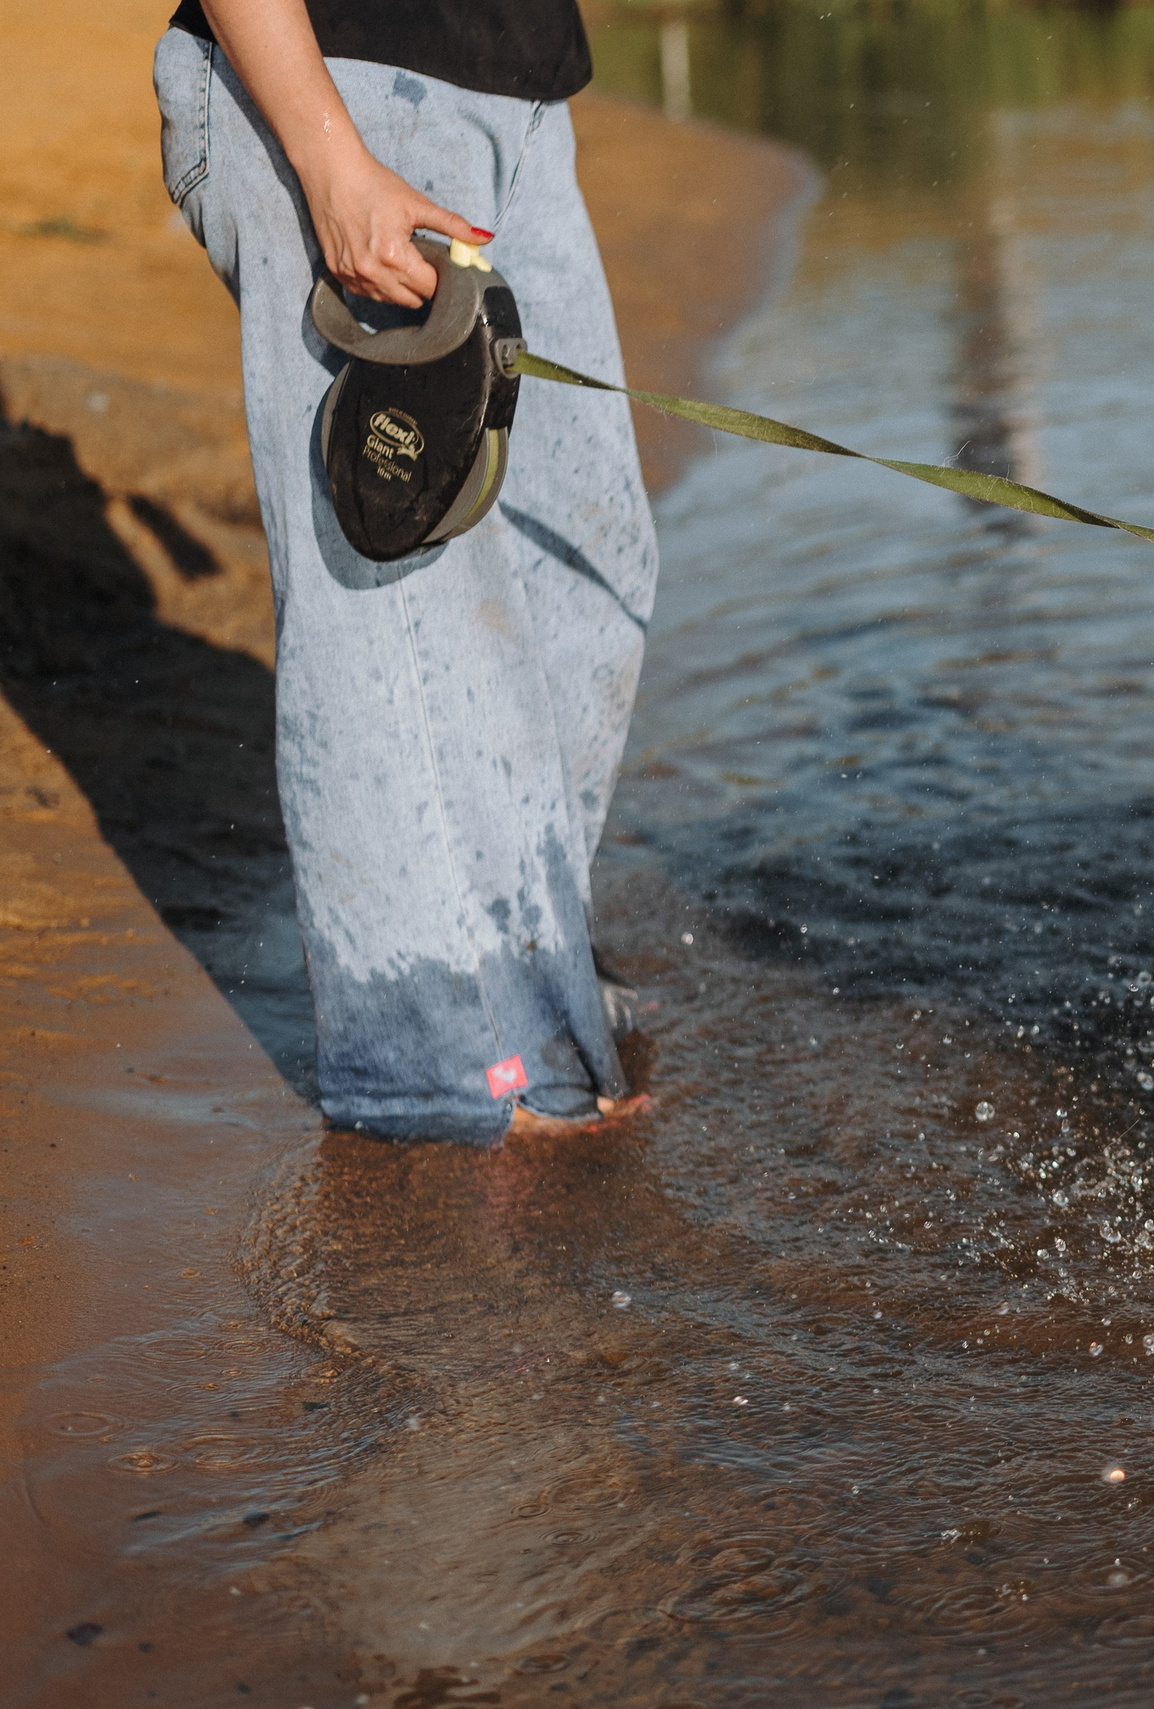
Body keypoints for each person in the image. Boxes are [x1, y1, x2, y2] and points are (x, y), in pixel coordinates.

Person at [154, 0, 653, 1143]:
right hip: (340, 86)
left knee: (592, 566)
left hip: (515, 93)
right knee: (404, 614)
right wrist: (328, 155)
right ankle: (449, 1065)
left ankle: (524, 958)